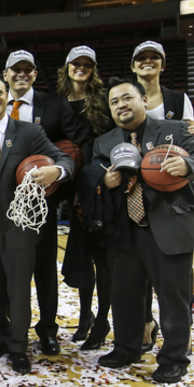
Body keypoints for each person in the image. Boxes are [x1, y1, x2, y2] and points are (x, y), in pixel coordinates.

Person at [93, 76, 194, 384]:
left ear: (144, 100)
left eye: (127, 98)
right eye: (114, 102)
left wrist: (187, 167)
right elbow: (92, 177)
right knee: (125, 295)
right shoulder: (104, 142)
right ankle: (128, 347)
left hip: (169, 227)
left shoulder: (175, 130)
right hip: (125, 230)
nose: (121, 105)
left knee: (173, 298)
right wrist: (104, 182)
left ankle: (174, 358)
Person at [0, 76, 73, 375]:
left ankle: (18, 346)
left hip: (19, 223)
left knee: (18, 288)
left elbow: (64, 158)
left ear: (8, 97)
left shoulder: (29, 132)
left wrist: (56, 171)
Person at [2, 49, 90, 356]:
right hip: (1, 200)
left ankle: (47, 330)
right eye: (16, 69)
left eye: (29, 69)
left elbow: (75, 145)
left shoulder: (54, 105)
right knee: (9, 270)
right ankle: (9, 331)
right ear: (6, 74)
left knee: (44, 270)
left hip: (41, 200)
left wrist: (61, 172)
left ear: (36, 75)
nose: (22, 74)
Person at [130, 40, 194, 352]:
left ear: (163, 63)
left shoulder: (177, 99)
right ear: (132, 66)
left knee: (173, 287)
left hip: (169, 197)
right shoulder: (124, 99)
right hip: (135, 201)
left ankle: (176, 352)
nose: (148, 62)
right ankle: (145, 328)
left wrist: (187, 163)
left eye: (154, 57)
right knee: (136, 281)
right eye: (141, 58)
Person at [55, 46, 114, 351]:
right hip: (72, 184)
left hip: (101, 183)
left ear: (93, 68)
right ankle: (85, 315)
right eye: (75, 64)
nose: (81, 68)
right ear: (66, 67)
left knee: (101, 257)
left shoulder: (105, 98)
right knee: (81, 255)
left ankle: (102, 320)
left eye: (87, 64)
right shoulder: (57, 102)